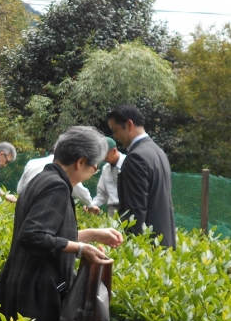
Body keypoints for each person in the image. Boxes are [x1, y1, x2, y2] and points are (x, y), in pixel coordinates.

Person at [0, 126, 123, 321]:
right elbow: (33, 235)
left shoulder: (43, 177)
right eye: (95, 165)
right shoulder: (56, 186)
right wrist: (81, 248)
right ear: (81, 162)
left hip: (21, 290)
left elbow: (48, 233)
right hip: (35, 298)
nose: (96, 170)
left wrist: (92, 234)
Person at [108, 103, 176, 248]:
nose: (115, 136)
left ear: (129, 124)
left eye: (115, 130)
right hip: (164, 242)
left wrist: (132, 249)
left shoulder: (136, 158)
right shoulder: (157, 152)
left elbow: (135, 211)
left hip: (147, 247)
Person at [17, 152, 101, 214]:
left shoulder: (32, 162)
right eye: (94, 168)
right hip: (42, 207)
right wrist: (90, 205)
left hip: (24, 204)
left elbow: (20, 189)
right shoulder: (61, 177)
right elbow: (80, 190)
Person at [91, 137, 126, 217]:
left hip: (127, 210)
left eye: (104, 154)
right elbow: (102, 195)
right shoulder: (105, 169)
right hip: (112, 212)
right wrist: (91, 205)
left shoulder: (128, 164)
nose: (102, 158)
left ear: (114, 151)